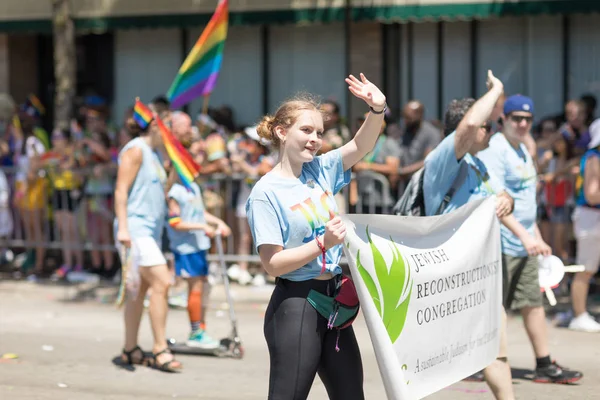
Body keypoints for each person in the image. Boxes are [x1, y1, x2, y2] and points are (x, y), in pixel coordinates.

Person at [246, 73, 386, 399]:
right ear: (282, 132)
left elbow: (361, 145)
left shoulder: (320, 169)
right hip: (296, 304)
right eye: (306, 130)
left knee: (351, 395)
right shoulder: (265, 193)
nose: (315, 139)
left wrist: (377, 110)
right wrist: (322, 244)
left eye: (319, 133)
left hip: (334, 301)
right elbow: (273, 264)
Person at [423, 71, 516, 399]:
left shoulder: (478, 163)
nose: (493, 130)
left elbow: (501, 199)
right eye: (489, 124)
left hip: (481, 273)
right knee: (434, 362)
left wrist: (508, 200)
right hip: (448, 277)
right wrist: (497, 91)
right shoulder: (444, 159)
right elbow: (465, 128)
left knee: (495, 349)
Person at [478, 95, 583, 384]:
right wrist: (525, 236)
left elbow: (524, 200)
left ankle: (544, 364)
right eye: (516, 118)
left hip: (523, 242)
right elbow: (495, 201)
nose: (522, 124)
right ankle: (485, 363)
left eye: (527, 119)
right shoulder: (495, 149)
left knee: (532, 303)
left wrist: (535, 234)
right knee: (493, 306)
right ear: (504, 120)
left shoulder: (523, 149)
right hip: (499, 241)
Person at [114, 99, 182, 372]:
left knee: (138, 291)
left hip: (149, 232)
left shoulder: (155, 154)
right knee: (162, 283)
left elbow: (156, 192)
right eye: (168, 122)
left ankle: (130, 349)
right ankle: (160, 348)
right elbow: (120, 190)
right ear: (155, 123)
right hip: (135, 229)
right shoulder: (136, 149)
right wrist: (123, 228)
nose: (172, 128)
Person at [166, 168, 232, 348]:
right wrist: (202, 227)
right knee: (195, 288)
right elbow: (175, 222)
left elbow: (199, 212)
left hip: (200, 245)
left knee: (203, 287)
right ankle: (196, 332)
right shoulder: (175, 192)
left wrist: (218, 222)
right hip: (186, 248)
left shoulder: (193, 187)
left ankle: (200, 329)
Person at [569, 119, 600, 332]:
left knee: (588, 269)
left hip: (591, 218)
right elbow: (592, 195)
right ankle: (579, 315)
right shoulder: (594, 158)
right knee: (585, 269)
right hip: (591, 218)